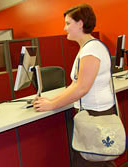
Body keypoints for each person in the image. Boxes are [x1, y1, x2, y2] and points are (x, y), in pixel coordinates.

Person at [33, 4, 116, 167]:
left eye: (68, 23)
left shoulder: (91, 50)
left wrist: (52, 105)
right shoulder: (88, 48)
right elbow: (75, 84)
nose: (65, 28)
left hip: (95, 115)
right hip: (95, 113)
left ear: (80, 23)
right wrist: (52, 100)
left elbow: (82, 88)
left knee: (92, 162)